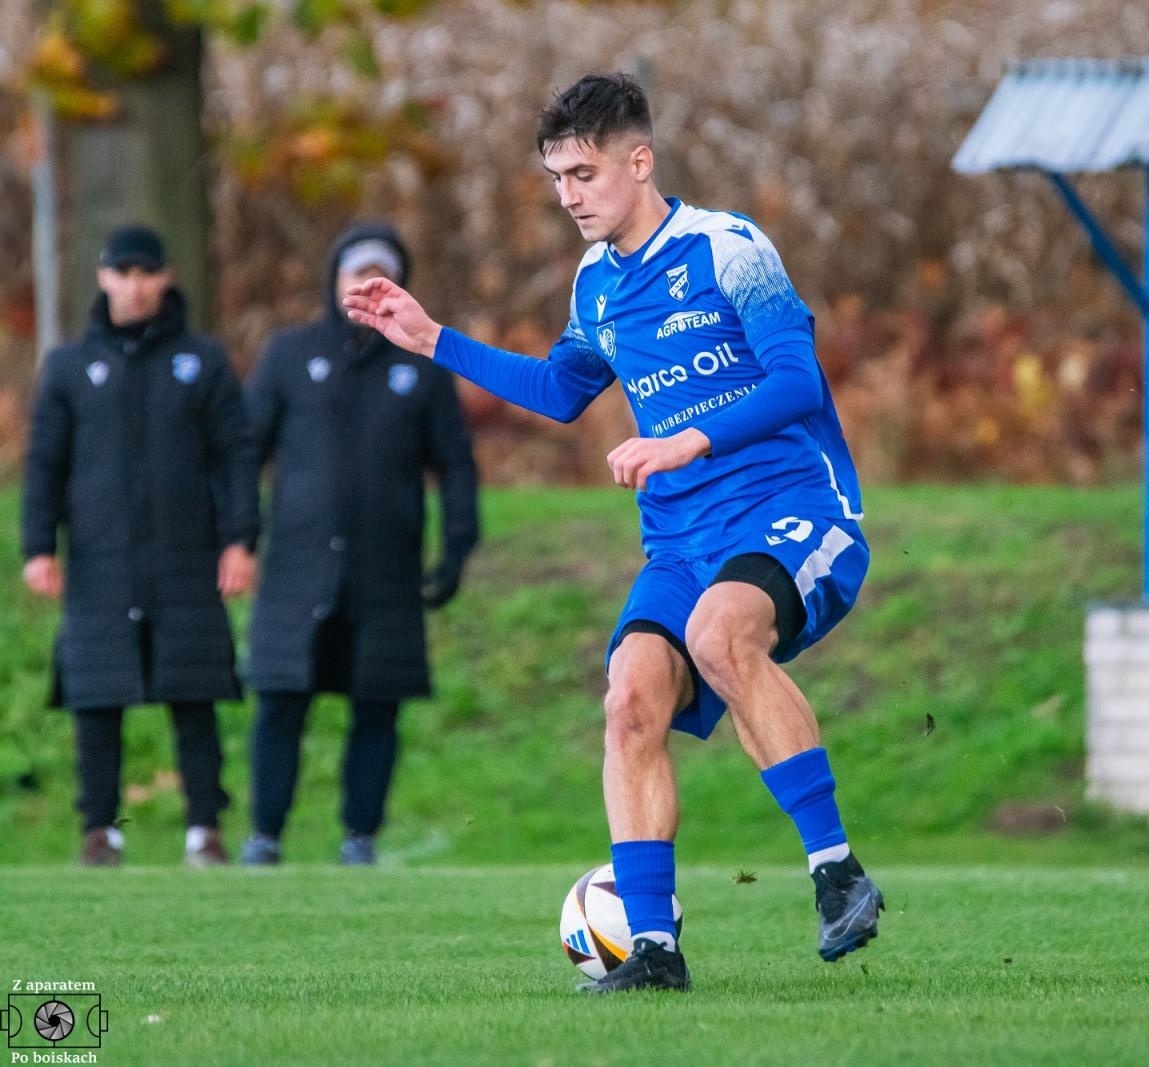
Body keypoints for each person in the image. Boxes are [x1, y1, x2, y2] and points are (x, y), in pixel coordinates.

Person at [343, 73, 882, 992]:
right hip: (681, 541)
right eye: (557, 177)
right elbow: (561, 392)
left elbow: (797, 380)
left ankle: (837, 872)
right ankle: (655, 950)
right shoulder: (598, 285)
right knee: (629, 695)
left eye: (584, 172)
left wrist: (685, 439)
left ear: (640, 161)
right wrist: (434, 339)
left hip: (792, 508)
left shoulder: (729, 247)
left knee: (720, 633)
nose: (569, 195)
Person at [242, 222, 480, 867]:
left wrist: (457, 548)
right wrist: (237, 540)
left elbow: (455, 464)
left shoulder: (424, 368)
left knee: (378, 704)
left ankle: (360, 838)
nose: (367, 287)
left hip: (387, 567)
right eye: (356, 274)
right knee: (280, 700)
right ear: (336, 281)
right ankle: (263, 837)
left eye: (383, 275)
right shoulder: (288, 355)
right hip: (296, 565)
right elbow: (243, 453)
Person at [22, 224, 258, 868]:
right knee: (95, 697)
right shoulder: (70, 367)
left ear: (164, 277)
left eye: (144, 272)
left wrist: (240, 540)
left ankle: (204, 831)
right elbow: (46, 462)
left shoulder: (201, 362)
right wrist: (38, 546)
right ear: (102, 278)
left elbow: (235, 457)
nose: (133, 286)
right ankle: (101, 831)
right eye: (121, 273)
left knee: (195, 692)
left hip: (186, 557)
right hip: (100, 561)